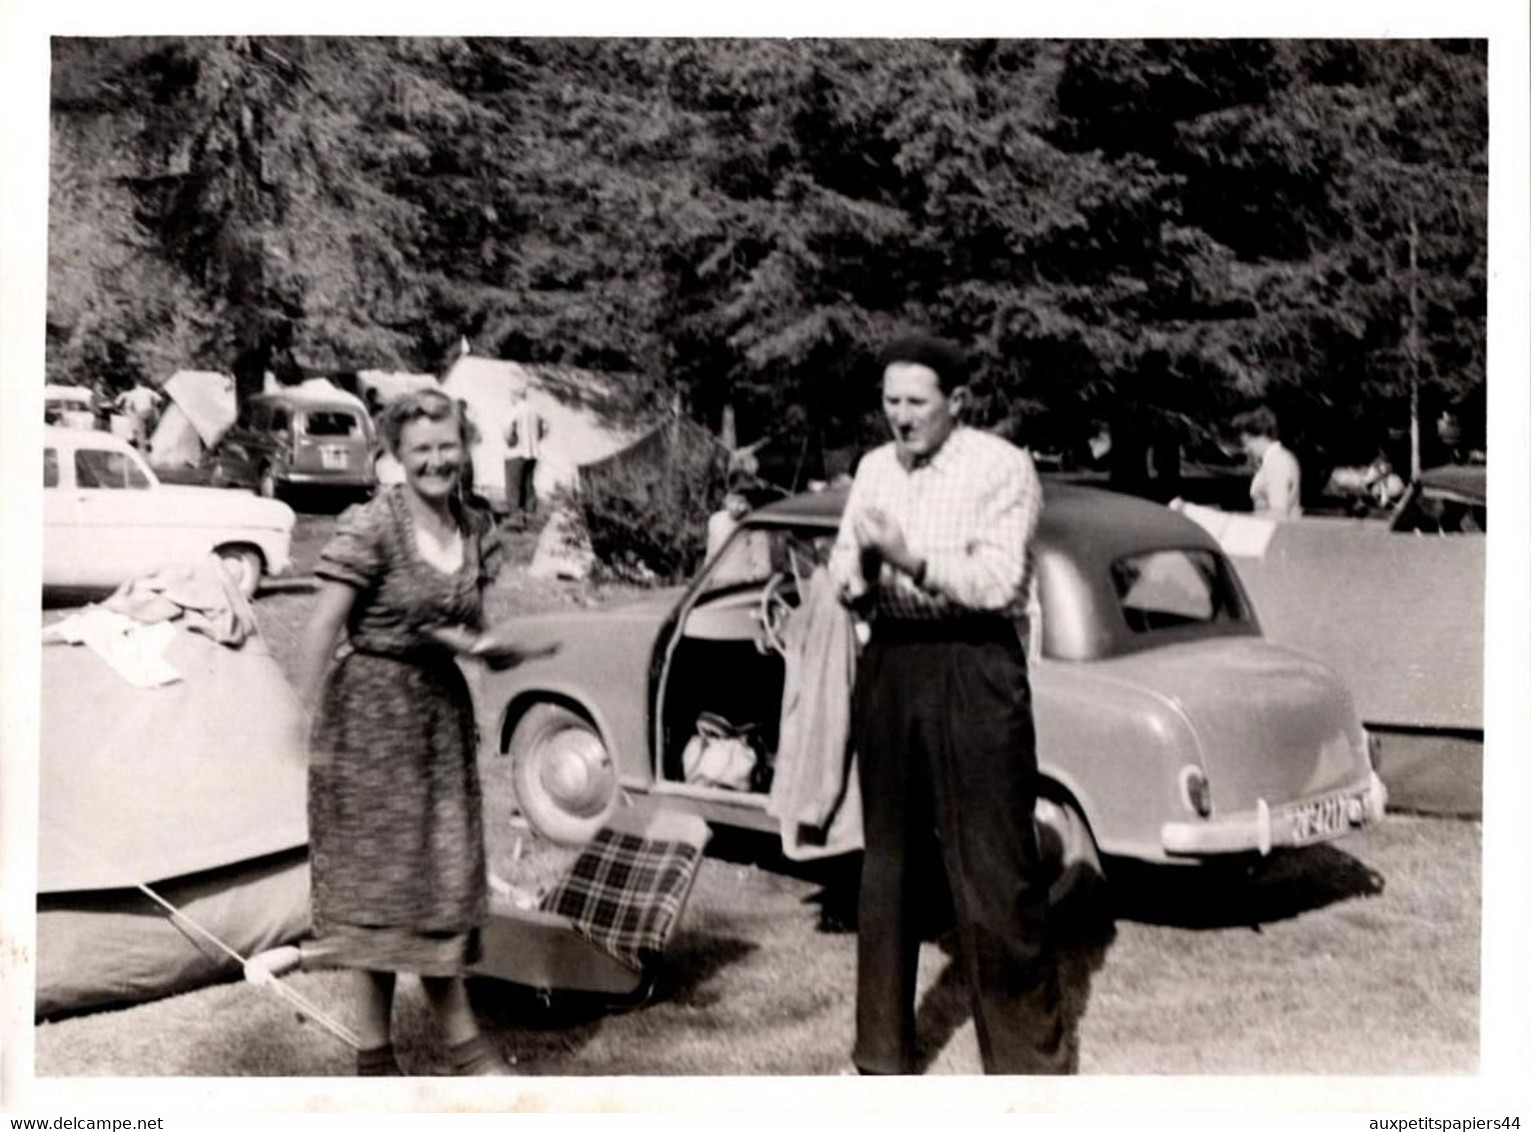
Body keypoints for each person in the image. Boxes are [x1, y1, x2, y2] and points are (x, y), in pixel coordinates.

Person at [262, 389, 527, 1076]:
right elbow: (324, 624)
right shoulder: (373, 524)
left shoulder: (472, 525)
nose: (437, 461)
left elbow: (440, 618)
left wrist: (480, 647)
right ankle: (453, 1051)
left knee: (438, 877)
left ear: (464, 446)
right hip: (372, 721)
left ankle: (378, 1059)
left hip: (436, 719)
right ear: (394, 456)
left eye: (447, 447)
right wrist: (302, 713)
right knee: (387, 887)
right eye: (421, 451)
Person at [828, 334, 1066, 1076]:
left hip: (974, 664)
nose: (900, 417)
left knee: (995, 867)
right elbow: (842, 570)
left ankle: (1027, 1070)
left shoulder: (1001, 466)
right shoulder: (872, 467)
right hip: (891, 661)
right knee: (887, 864)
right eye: (890, 401)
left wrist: (906, 558)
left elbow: (997, 582)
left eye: (916, 403)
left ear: (955, 403)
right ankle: (881, 1056)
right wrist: (861, 571)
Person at [1234, 406, 1302, 518]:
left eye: (1245, 443)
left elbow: (1278, 512)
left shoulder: (1277, 463)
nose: (1245, 450)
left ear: (1257, 437)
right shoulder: (1278, 460)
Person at [504, 387, 548, 521]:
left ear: (516, 395)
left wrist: (511, 439)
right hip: (533, 451)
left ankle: (516, 516)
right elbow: (546, 426)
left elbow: (507, 429)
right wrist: (537, 438)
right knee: (528, 483)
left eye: (511, 396)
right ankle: (530, 513)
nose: (510, 399)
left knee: (513, 485)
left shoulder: (515, 410)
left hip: (516, 452)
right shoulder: (534, 410)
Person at [114, 381, 162, 450]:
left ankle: (136, 440)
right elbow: (159, 400)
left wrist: (122, 410)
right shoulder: (148, 390)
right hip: (148, 411)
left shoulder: (130, 393)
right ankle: (146, 441)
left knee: (137, 426)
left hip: (136, 413)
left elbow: (124, 405)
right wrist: (155, 406)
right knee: (147, 426)